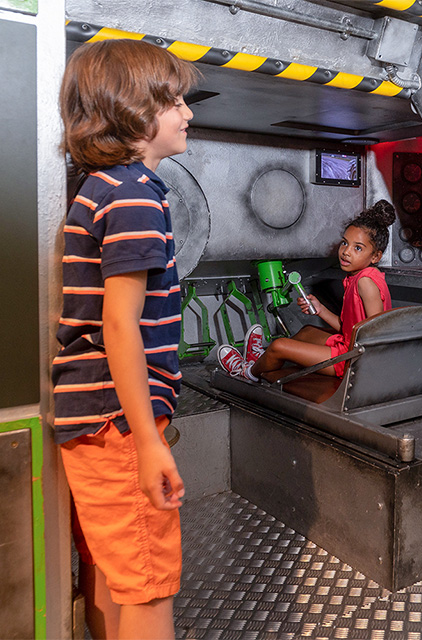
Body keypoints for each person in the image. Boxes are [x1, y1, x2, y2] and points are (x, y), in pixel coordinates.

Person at [53, 39, 198, 639]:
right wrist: (147, 442)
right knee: (148, 586)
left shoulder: (97, 187)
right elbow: (120, 326)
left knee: (110, 573)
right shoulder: (134, 194)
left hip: (91, 413)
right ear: (133, 112)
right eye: (174, 102)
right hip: (118, 418)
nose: (188, 114)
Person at [217, 200, 395, 379]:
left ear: (375, 256)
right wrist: (320, 310)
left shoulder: (365, 282)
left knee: (279, 345)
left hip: (354, 361)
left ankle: (247, 372)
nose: (346, 252)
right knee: (307, 332)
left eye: (358, 248)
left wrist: (366, 375)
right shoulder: (359, 276)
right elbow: (349, 328)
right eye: (344, 243)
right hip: (350, 346)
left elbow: (375, 335)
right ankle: (261, 360)